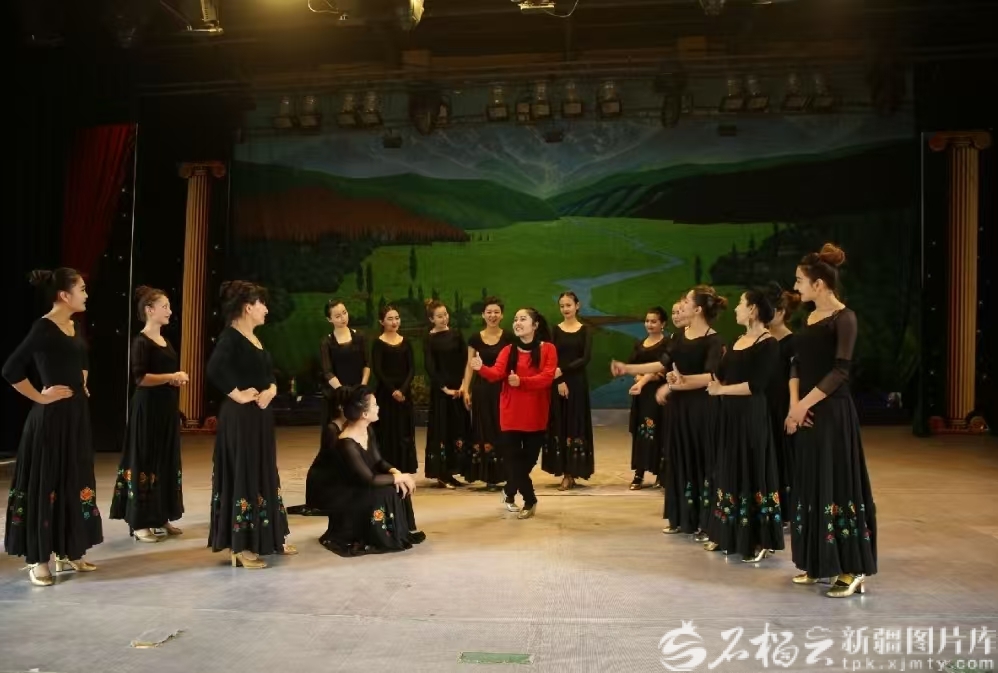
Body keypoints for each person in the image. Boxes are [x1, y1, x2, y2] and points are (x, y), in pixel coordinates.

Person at [786, 244, 876, 598]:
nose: (796, 286)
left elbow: (840, 372)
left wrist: (804, 405)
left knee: (838, 483)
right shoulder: (808, 319)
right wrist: (795, 406)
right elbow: (795, 363)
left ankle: (852, 568)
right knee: (812, 483)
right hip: (806, 412)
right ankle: (818, 561)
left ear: (819, 284)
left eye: (799, 280)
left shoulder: (844, 318)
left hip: (833, 413)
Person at [3, 268, 102, 585]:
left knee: (74, 478)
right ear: (64, 295)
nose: (86, 294)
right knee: (47, 482)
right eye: (81, 289)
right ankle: (38, 559)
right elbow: (11, 369)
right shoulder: (43, 327)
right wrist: (40, 397)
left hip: (76, 417)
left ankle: (68, 550)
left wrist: (83, 382)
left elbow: (82, 360)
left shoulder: (74, 325)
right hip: (51, 419)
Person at [206, 281, 293, 569]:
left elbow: (269, 374)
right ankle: (240, 546)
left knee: (262, 471)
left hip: (260, 417)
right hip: (241, 419)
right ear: (247, 307)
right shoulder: (230, 337)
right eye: (261, 304)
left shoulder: (254, 338)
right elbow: (214, 369)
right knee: (243, 472)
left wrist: (271, 390)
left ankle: (268, 538)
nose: (266, 309)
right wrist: (238, 394)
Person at [702, 289, 784, 563]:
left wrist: (721, 391)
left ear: (753, 310)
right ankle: (727, 533)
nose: (736, 308)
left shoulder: (768, 344)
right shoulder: (738, 340)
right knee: (728, 468)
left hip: (751, 416)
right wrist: (682, 381)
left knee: (752, 469)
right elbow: (720, 376)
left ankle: (759, 539)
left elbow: (756, 385)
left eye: (740, 303)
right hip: (729, 416)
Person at [109, 286, 187, 542]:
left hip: (165, 407)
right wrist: (171, 376)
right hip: (147, 408)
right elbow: (140, 378)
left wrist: (173, 380)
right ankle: (139, 521)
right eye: (164, 307)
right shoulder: (141, 342)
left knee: (164, 458)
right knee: (145, 458)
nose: (169, 311)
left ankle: (161, 515)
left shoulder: (166, 341)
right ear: (149, 310)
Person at [471, 307, 557, 519]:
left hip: (536, 414)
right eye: (516, 319)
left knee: (527, 462)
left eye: (523, 319)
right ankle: (530, 500)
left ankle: (509, 490)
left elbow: (547, 377)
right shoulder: (508, 350)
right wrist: (481, 368)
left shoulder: (548, 349)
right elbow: (496, 374)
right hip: (510, 414)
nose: (517, 322)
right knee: (513, 461)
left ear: (535, 325)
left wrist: (522, 381)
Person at [321, 386, 425, 556]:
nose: (378, 408)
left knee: (397, 486)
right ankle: (383, 536)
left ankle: (397, 533)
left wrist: (396, 472)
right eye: (375, 405)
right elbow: (369, 479)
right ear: (364, 414)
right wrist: (400, 478)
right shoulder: (346, 443)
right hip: (351, 495)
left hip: (364, 485)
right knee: (389, 491)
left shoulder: (368, 430)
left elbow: (378, 461)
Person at [460, 297, 513, 490]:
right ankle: (488, 475)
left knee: (503, 429)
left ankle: (505, 473)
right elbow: (469, 365)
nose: (493, 315)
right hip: (481, 389)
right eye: (489, 312)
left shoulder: (509, 337)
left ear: (502, 315)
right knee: (484, 429)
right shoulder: (475, 338)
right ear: (483, 315)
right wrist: (466, 388)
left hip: (502, 390)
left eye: (496, 312)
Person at [542, 292, 594, 490]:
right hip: (558, 383)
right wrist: (559, 379)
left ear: (577, 306)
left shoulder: (585, 330)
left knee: (575, 423)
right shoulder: (555, 330)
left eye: (569, 305)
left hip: (577, 383)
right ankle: (565, 472)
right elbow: (550, 357)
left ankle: (573, 470)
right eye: (562, 306)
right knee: (560, 424)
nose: (565, 309)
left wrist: (562, 370)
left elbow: (585, 358)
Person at [764, 284, 801, 524]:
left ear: (780, 312)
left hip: (782, 408)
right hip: (761, 407)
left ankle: (787, 513)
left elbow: (795, 378)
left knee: (784, 459)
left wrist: (792, 412)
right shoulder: (761, 340)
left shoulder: (792, 342)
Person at [423, 299, 470, 489]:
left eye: (445, 315)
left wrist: (463, 385)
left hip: (458, 390)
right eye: (439, 316)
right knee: (442, 430)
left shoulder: (456, 335)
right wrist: (445, 388)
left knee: (458, 429)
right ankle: (442, 473)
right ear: (431, 319)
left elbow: (466, 360)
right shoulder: (429, 339)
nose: (444, 319)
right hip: (441, 393)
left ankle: (453, 470)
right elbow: (430, 367)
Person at [623, 307, 670, 489]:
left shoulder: (667, 344)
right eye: (647, 321)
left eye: (654, 321)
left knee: (659, 431)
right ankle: (639, 472)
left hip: (658, 394)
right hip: (641, 394)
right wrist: (637, 377)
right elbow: (632, 365)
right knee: (641, 432)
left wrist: (644, 378)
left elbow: (663, 369)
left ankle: (660, 472)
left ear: (662, 324)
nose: (649, 324)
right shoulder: (639, 344)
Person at [287, 386, 351, 516]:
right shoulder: (332, 429)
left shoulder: (346, 426)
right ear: (341, 407)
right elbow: (335, 462)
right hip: (325, 481)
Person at [371, 305, 418, 474]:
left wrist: (402, 390)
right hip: (386, 394)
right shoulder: (378, 343)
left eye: (397, 318)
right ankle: (387, 469)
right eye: (390, 319)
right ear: (381, 322)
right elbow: (378, 370)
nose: (394, 322)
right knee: (387, 431)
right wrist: (393, 391)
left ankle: (404, 467)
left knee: (404, 430)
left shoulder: (406, 342)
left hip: (404, 395)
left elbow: (411, 369)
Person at [320, 299, 370, 426]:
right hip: (337, 394)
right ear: (329, 319)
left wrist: (361, 387)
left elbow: (366, 364)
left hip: (359, 392)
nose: (343, 318)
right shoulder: (327, 342)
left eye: (344, 313)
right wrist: (342, 391)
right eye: (337, 316)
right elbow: (327, 372)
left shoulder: (360, 337)